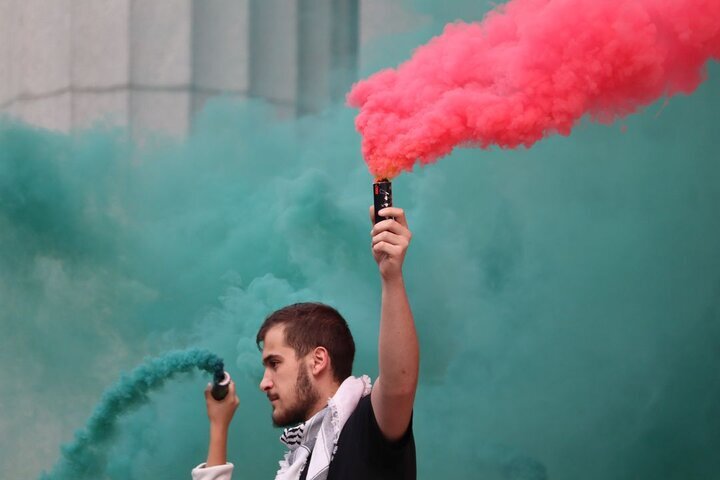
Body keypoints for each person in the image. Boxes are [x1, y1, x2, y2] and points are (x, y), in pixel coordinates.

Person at [192, 206, 418, 479]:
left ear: (318, 360)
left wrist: (391, 275)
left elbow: (399, 384)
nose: (264, 383)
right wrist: (218, 426)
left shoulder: (366, 426)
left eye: (274, 363)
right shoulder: (301, 464)